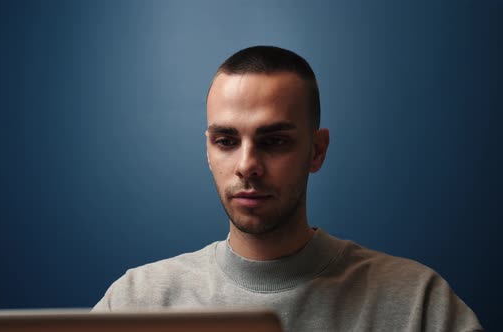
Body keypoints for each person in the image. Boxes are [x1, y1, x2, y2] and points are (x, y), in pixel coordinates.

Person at [92, 46, 482, 331]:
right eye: (226, 141)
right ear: (208, 151)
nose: (247, 165)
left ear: (316, 151)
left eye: (274, 141)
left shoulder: (418, 304)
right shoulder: (135, 303)